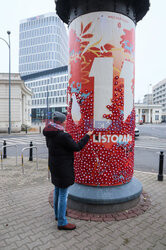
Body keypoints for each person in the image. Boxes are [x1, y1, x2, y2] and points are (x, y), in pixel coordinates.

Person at [43, 111, 93, 230]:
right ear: (60, 122)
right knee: (63, 195)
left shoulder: (49, 133)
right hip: (63, 168)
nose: (66, 123)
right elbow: (76, 147)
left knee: (57, 190)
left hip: (54, 166)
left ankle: (57, 215)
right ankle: (62, 222)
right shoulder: (63, 135)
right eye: (65, 121)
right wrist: (88, 135)